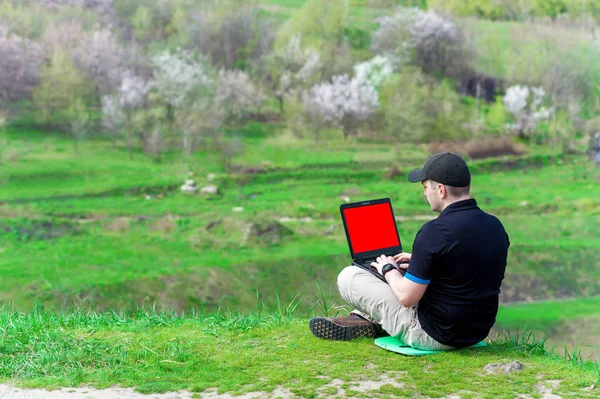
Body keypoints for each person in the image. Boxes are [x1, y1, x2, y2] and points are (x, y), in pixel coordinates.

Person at [309, 152, 510, 350]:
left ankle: (370, 319)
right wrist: (421, 260)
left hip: (434, 335)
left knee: (349, 276)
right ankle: (365, 320)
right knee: (407, 276)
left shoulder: (434, 232)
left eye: (425, 187)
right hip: (475, 333)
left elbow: (407, 298)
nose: (424, 193)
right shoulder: (495, 226)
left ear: (440, 190)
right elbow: (468, 263)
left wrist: (388, 268)